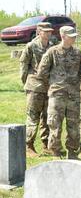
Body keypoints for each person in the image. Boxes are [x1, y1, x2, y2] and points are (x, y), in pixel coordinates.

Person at [37, 26, 81, 159]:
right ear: (63, 36)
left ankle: (72, 151)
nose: (74, 38)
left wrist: (73, 84)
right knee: (54, 124)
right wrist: (54, 85)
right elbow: (42, 72)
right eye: (71, 36)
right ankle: (56, 151)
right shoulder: (52, 52)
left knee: (74, 124)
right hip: (57, 94)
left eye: (75, 35)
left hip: (73, 95)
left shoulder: (78, 53)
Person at [19, 22, 54, 156]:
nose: (48, 33)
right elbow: (23, 66)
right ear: (39, 32)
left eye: (50, 31)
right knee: (33, 117)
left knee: (47, 117)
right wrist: (26, 83)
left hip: (48, 87)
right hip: (34, 86)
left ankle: (46, 145)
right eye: (45, 31)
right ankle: (29, 145)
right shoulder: (31, 46)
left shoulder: (52, 47)